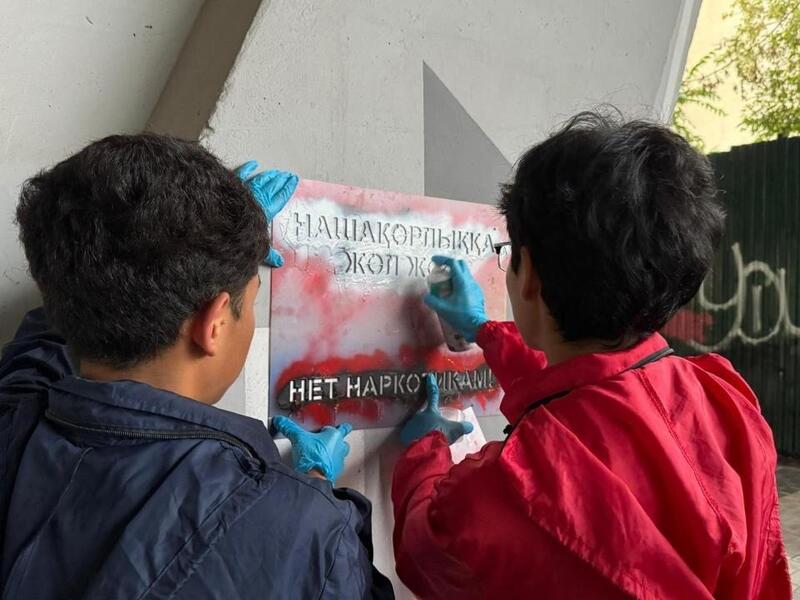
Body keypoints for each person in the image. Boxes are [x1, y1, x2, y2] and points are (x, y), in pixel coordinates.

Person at [392, 113, 791, 598]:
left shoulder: (514, 490)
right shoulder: (725, 400)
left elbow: (427, 547)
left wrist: (424, 449)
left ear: (528, 272)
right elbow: (593, 387)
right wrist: (483, 329)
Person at [0, 134, 393, 599]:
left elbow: (50, 334)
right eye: (251, 300)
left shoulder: (14, 414)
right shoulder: (315, 536)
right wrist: (313, 490)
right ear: (214, 324)